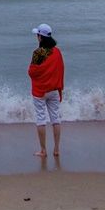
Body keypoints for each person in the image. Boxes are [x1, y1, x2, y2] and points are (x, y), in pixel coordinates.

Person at [28, 22, 64, 157]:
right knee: (55, 119)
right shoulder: (57, 51)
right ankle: (57, 149)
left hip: (40, 91)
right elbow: (60, 69)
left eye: (37, 35)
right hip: (54, 88)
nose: (36, 37)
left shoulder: (38, 53)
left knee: (41, 119)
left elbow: (32, 72)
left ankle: (43, 150)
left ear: (40, 37)